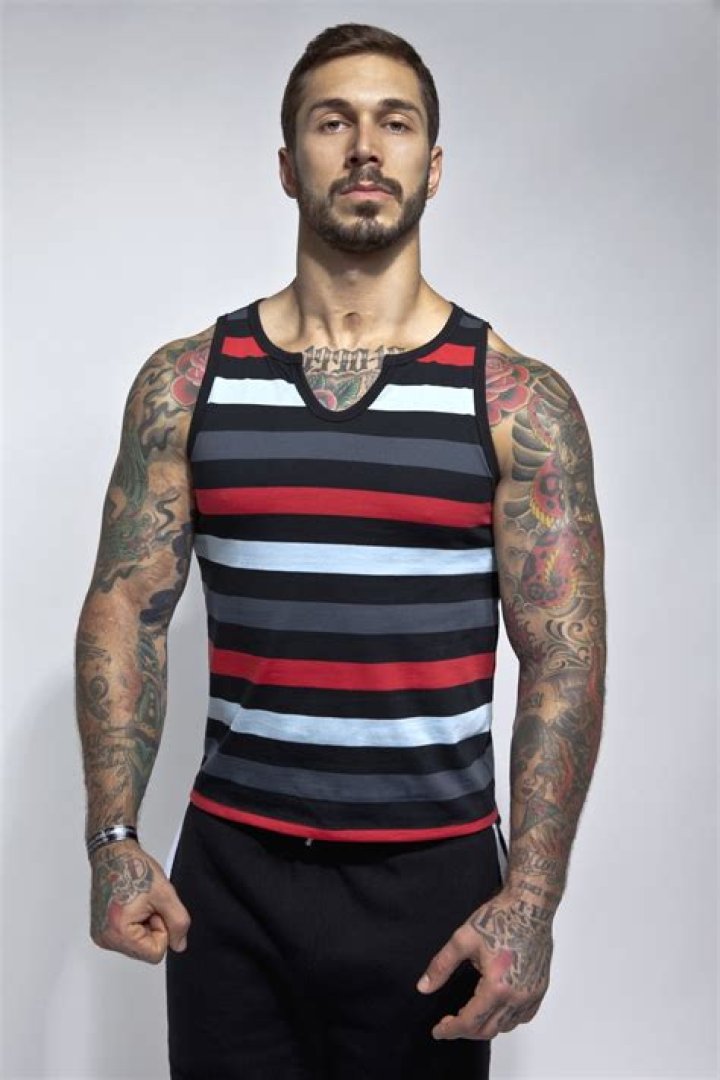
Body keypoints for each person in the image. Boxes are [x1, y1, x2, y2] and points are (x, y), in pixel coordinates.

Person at [74, 21, 606, 1080]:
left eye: (393, 123)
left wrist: (533, 898)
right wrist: (113, 840)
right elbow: (126, 608)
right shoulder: (189, 384)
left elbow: (563, 652)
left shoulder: (515, 402)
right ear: (288, 164)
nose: (365, 147)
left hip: (432, 891)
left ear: (433, 165)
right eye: (333, 122)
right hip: (232, 882)